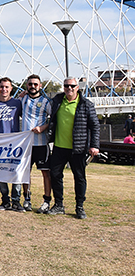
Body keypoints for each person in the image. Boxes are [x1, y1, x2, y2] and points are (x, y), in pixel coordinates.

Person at [47, 77, 99, 219]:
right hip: (59, 147)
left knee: (79, 177)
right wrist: (22, 95)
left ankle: (79, 207)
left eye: (72, 86)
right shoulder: (57, 101)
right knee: (55, 175)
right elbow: (38, 99)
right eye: (66, 86)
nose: (69, 88)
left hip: (78, 148)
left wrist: (94, 145)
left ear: (77, 87)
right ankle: (59, 205)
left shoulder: (86, 105)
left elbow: (95, 126)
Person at [0, 77, 23, 212]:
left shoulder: (18, 103)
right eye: (1, 87)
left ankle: (16, 201)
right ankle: (5, 200)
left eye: (7, 87)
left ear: (11, 88)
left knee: (16, 173)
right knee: (1, 174)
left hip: (15, 145)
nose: (4, 89)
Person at [21, 75, 52, 213]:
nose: (32, 86)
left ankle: (46, 201)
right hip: (26, 144)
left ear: (40, 86)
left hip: (41, 143)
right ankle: (26, 199)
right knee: (25, 173)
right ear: (27, 85)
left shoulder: (46, 102)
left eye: (35, 84)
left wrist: (43, 128)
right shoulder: (22, 99)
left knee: (45, 172)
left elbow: (54, 119)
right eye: (30, 84)